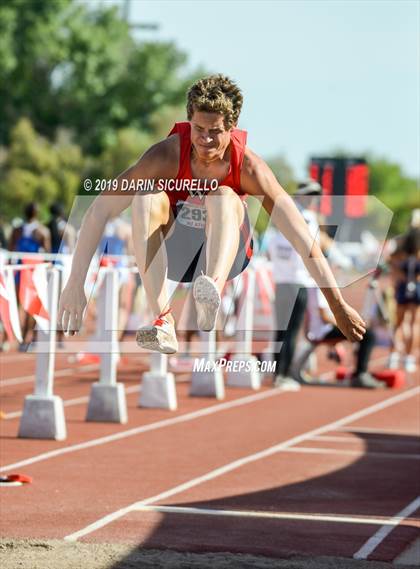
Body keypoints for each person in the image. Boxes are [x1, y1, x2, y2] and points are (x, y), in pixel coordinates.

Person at [58, 75, 366, 353]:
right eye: (199, 130)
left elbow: (304, 239)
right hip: (178, 253)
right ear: (189, 122)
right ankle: (163, 321)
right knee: (145, 197)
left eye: (215, 133)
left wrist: (336, 303)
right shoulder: (165, 155)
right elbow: (99, 210)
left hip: (228, 253)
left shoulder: (249, 168)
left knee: (223, 195)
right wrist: (75, 283)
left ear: (232, 128)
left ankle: (212, 292)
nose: (205, 141)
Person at [267, 179, 321, 388]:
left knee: (281, 330)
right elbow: (312, 248)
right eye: (311, 195)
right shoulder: (307, 218)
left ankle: (277, 374)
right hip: (297, 282)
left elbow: (273, 249)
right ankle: (284, 375)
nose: (313, 200)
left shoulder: (282, 216)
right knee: (291, 331)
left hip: (282, 282)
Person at [306, 288, 384, 388]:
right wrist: (345, 324)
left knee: (365, 332)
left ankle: (360, 374)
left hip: (322, 329)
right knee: (368, 335)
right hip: (323, 331)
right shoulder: (317, 288)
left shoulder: (316, 288)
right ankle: (361, 375)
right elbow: (324, 316)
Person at [387, 211, 420, 373]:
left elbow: (391, 259)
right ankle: (406, 358)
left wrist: (400, 276)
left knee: (400, 322)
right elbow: (391, 259)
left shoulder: (402, 240)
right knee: (412, 323)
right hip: (414, 285)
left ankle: (395, 356)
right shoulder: (405, 241)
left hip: (405, 284)